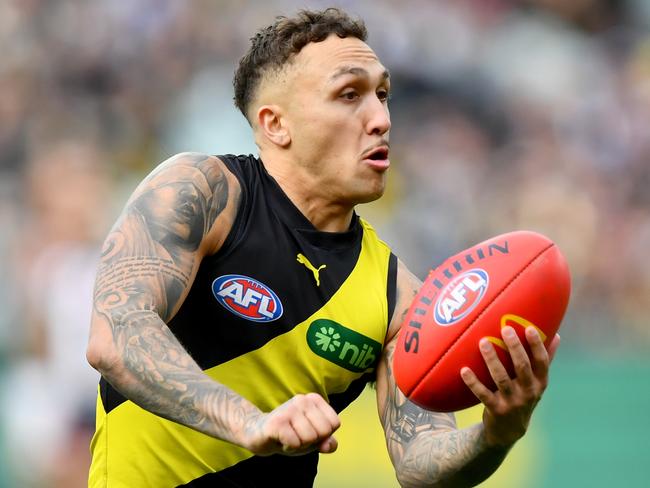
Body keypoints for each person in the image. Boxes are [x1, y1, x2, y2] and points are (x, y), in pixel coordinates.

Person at [86, 8, 560, 487]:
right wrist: (250, 422)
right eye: (349, 95)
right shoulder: (204, 193)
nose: (380, 119)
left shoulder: (396, 296)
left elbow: (420, 463)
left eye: (383, 95)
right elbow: (116, 334)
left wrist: (498, 433)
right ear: (276, 125)